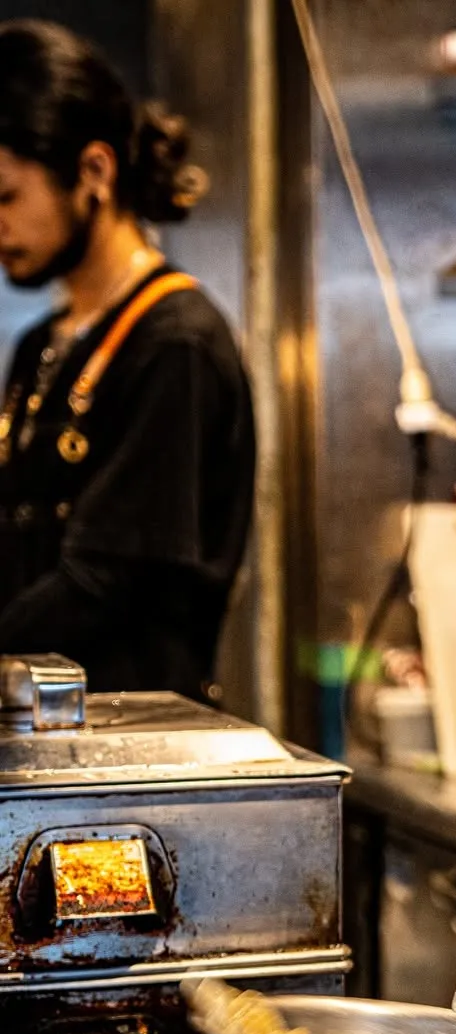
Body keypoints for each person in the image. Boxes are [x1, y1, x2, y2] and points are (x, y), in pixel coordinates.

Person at [0, 20, 253, 702]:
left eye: (6, 196)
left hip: (130, 759)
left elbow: (101, 584)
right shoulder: (41, 344)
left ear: (95, 172)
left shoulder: (174, 344)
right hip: (39, 745)